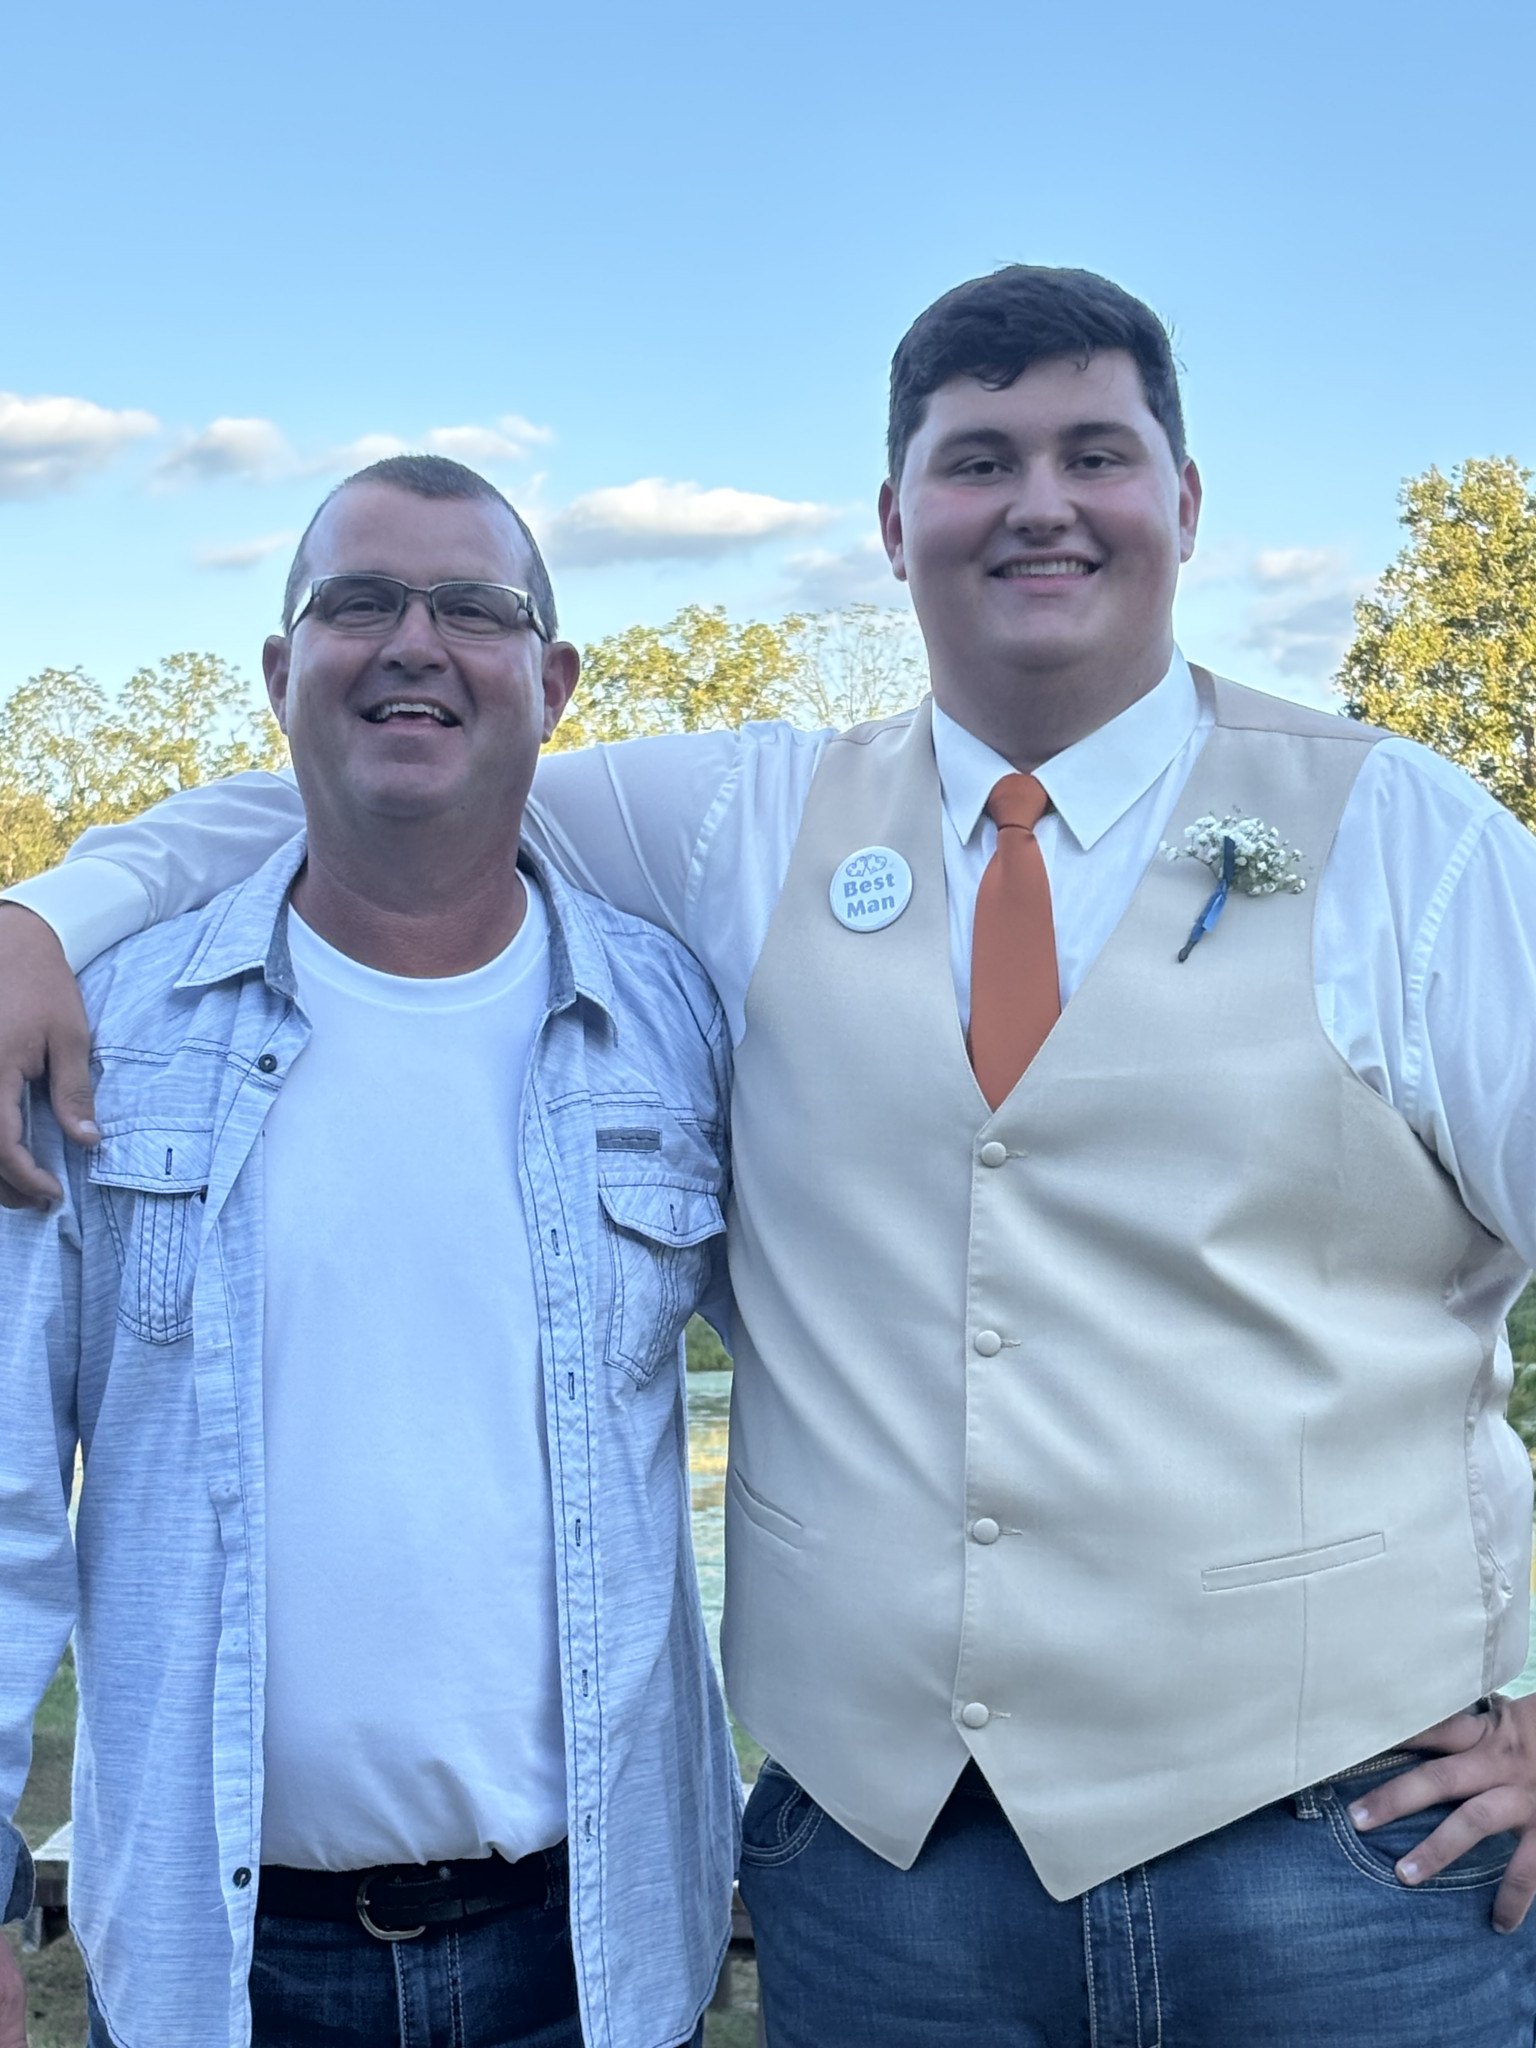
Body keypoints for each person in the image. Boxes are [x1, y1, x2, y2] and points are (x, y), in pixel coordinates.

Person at [4, 267, 1536, 2044]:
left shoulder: (1408, 843)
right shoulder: (738, 824)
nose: (1038, 503)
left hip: (1345, 1865)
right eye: (978, 461)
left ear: (1184, 502)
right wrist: (48, 912)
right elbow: (377, 772)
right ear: (894, 522)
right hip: (890, 1892)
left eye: (1095, 453)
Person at [0, 456, 738, 2048]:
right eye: (360, 603)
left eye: (472, 606)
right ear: (283, 670)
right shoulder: (101, 1038)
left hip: (592, 1956)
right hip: (224, 1967)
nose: (415, 642)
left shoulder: (676, 1023)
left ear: (552, 679)